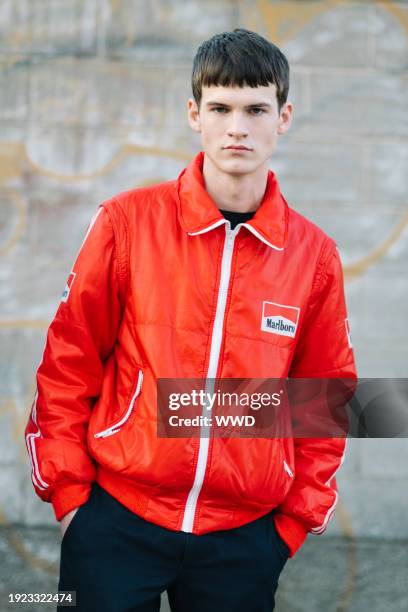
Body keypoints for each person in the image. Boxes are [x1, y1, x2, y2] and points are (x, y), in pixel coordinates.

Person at [25, 28, 357, 611]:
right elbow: (68, 363)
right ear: (194, 114)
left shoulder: (314, 257)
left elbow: (325, 396)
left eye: (256, 109)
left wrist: (292, 524)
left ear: (283, 117)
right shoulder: (126, 224)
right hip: (117, 520)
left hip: (244, 537)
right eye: (221, 108)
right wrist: (72, 496)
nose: (238, 127)